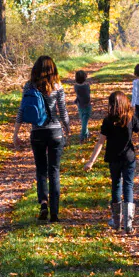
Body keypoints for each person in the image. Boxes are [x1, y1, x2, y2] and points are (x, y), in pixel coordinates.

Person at [85, 90, 139, 234]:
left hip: (114, 159)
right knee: (128, 186)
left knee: (116, 185)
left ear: (111, 105)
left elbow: (100, 143)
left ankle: (116, 222)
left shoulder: (108, 121)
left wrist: (91, 161)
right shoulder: (131, 119)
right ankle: (128, 223)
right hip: (129, 158)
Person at [12, 55, 70, 222]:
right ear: (53, 69)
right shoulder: (57, 86)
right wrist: (67, 128)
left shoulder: (29, 86)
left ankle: (43, 203)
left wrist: (15, 133)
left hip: (37, 133)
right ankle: (55, 212)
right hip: (55, 132)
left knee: (41, 170)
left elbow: (21, 111)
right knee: (54, 171)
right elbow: (63, 110)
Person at [75, 69, 92, 141]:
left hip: (79, 105)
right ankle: (82, 135)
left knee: (83, 119)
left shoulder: (76, 86)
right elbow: (88, 95)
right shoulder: (86, 86)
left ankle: (86, 134)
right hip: (87, 105)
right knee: (85, 121)